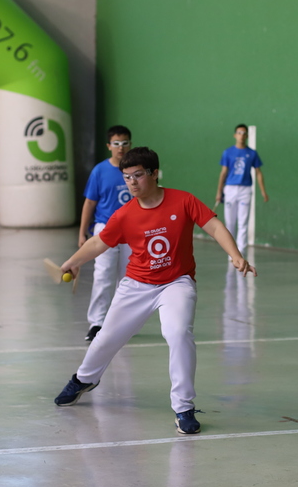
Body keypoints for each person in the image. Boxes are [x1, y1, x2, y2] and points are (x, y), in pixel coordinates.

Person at [54, 147, 256, 435]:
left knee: (178, 333)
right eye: (127, 177)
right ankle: (84, 379)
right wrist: (73, 262)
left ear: (154, 173)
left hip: (177, 283)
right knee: (106, 338)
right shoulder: (125, 214)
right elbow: (99, 242)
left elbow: (214, 226)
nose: (132, 182)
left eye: (137, 175)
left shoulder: (183, 200)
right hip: (136, 284)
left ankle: (183, 408)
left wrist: (235, 255)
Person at [78, 126, 133, 342]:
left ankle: (123, 322)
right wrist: (82, 233)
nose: (121, 148)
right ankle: (97, 323)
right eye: (116, 144)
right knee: (103, 275)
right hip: (105, 229)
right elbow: (90, 203)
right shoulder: (99, 171)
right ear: (109, 146)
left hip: (132, 230)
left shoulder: (135, 170)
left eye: (125, 143)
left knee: (129, 278)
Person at [214, 123, 268, 256]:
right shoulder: (228, 152)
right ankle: (231, 253)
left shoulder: (252, 153)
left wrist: (263, 191)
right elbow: (223, 173)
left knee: (243, 222)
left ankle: (241, 252)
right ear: (235, 135)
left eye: (244, 133)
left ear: (247, 136)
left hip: (245, 190)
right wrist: (219, 192)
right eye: (239, 133)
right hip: (230, 189)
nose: (241, 136)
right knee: (230, 223)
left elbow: (258, 173)